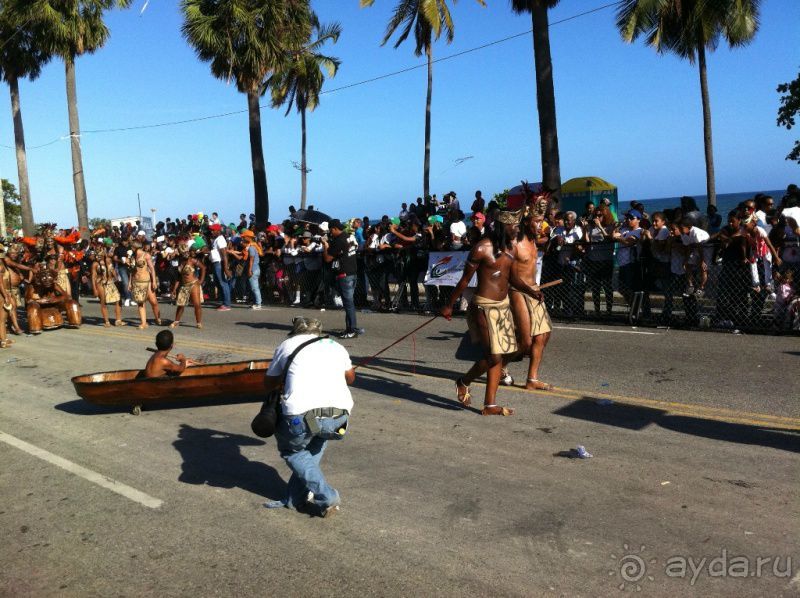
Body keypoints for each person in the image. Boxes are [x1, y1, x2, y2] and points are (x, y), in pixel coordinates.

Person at [441, 209, 544, 417]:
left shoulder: (510, 249)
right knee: (493, 357)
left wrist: (530, 290)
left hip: (503, 306)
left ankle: (489, 404)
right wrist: (449, 305)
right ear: (502, 226)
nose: (517, 229)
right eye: (513, 226)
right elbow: (464, 280)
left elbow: (512, 278)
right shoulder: (481, 248)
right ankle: (464, 381)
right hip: (483, 307)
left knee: (503, 354)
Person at [264, 317, 355, 517]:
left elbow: (269, 382)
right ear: (319, 332)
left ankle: (326, 495)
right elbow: (350, 378)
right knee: (313, 448)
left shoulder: (287, 345)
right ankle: (294, 499)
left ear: (295, 331)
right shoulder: (335, 345)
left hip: (302, 414)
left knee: (293, 452)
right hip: (339, 417)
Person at [510, 211, 553, 391]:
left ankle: (532, 379)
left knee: (543, 336)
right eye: (536, 221)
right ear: (526, 222)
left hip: (534, 291)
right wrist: (529, 290)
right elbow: (511, 276)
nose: (540, 225)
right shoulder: (514, 244)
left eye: (541, 221)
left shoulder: (534, 242)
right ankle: (500, 366)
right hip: (518, 291)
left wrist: (550, 240)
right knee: (526, 342)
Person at [322, 219, 359, 338]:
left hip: (344, 274)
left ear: (334, 229)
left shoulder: (339, 240)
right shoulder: (349, 236)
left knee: (348, 303)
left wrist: (325, 246)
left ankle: (352, 329)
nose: (330, 233)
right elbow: (348, 250)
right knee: (349, 302)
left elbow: (327, 258)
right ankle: (350, 328)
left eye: (331, 231)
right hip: (353, 272)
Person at [171, 246, 206, 329]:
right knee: (180, 304)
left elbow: (203, 268)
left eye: (187, 252)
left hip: (193, 284)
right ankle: (176, 321)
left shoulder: (192, 260)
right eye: (183, 252)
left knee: (197, 304)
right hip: (184, 285)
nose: (186, 253)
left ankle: (198, 323)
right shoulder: (180, 262)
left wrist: (201, 280)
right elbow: (179, 278)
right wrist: (174, 289)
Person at [129, 240, 161, 328]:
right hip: (137, 282)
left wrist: (154, 281)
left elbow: (152, 268)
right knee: (140, 302)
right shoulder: (132, 256)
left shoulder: (146, 255)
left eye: (132, 247)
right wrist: (130, 283)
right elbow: (131, 271)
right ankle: (143, 323)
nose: (131, 248)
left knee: (153, 302)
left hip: (147, 282)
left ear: (135, 247)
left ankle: (157, 318)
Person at [91, 246, 125, 327]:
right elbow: (93, 276)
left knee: (118, 300)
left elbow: (112, 270)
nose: (98, 256)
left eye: (100, 254)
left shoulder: (108, 260)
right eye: (97, 254)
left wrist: (117, 279)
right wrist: (94, 289)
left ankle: (118, 320)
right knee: (103, 303)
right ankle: (107, 322)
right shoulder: (95, 264)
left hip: (110, 283)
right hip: (100, 284)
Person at [209, 224, 232, 311]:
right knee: (218, 283)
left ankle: (227, 304)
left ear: (218, 231)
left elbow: (224, 255)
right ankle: (224, 302)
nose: (211, 232)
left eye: (213, 230)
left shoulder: (220, 240)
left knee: (223, 283)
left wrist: (225, 268)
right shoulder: (216, 239)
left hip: (219, 264)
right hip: (216, 263)